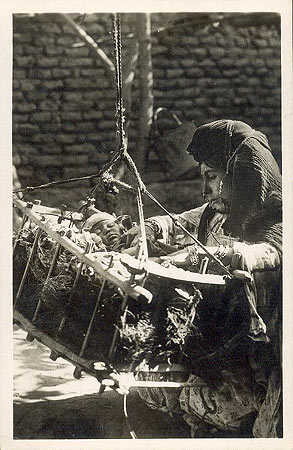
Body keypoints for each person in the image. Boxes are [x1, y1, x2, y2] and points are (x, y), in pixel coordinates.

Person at [133, 120, 282, 438]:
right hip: (222, 349)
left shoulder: (277, 220)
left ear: (239, 177)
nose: (205, 189)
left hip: (269, 365)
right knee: (154, 387)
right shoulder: (220, 212)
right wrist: (150, 228)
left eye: (212, 178)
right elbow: (179, 222)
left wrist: (199, 257)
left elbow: (268, 253)